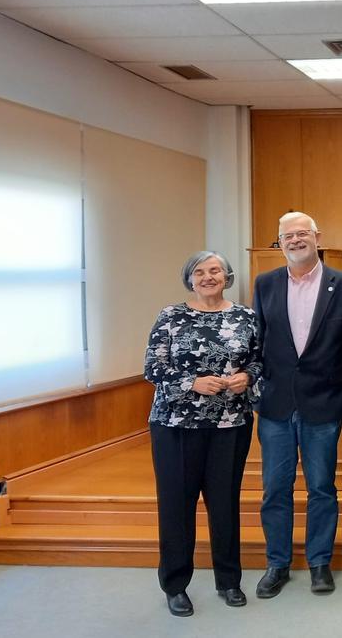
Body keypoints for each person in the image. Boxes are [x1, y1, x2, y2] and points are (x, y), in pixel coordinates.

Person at [252, 211, 342, 599]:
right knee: (275, 489)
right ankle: (277, 564)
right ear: (279, 242)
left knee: (321, 488)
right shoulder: (264, 284)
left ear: (317, 237)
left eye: (302, 233)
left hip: (324, 403)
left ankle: (320, 562)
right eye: (288, 236)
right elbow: (259, 341)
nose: (296, 240)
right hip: (277, 405)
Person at [144, 251, 261, 617]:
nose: (208, 277)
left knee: (225, 504)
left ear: (227, 276)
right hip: (175, 426)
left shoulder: (246, 316)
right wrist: (191, 382)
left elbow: (260, 360)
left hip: (230, 425)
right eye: (199, 272)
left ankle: (229, 581)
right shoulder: (171, 316)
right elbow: (152, 365)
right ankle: (175, 585)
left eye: (215, 271)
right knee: (177, 506)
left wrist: (249, 376)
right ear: (190, 279)